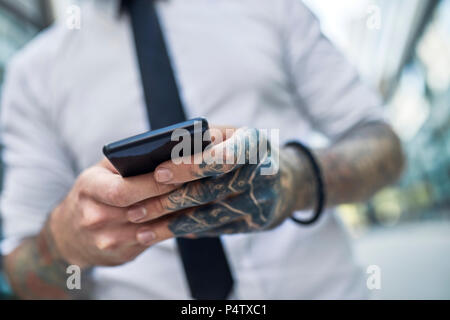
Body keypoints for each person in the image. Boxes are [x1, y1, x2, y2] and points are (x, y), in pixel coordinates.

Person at [0, 0, 403, 299]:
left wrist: (296, 178)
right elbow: (22, 275)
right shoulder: (32, 76)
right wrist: (63, 242)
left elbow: (383, 145)